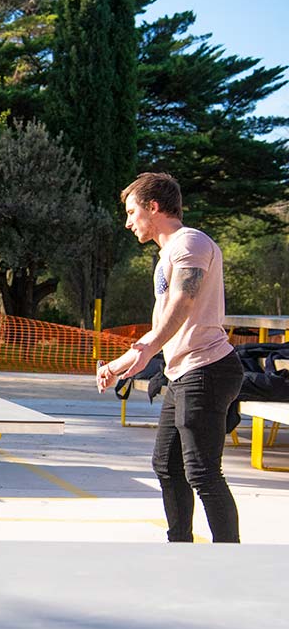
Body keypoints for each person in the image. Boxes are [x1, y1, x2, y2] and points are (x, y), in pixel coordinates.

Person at [97, 172, 243, 543]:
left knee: (202, 471)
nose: (129, 222)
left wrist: (148, 348)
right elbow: (164, 324)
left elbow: (184, 301)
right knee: (166, 465)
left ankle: (233, 558)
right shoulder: (167, 255)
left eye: (132, 212)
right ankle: (179, 546)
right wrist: (117, 366)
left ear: (154, 207)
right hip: (184, 373)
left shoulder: (189, 242)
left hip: (207, 369)